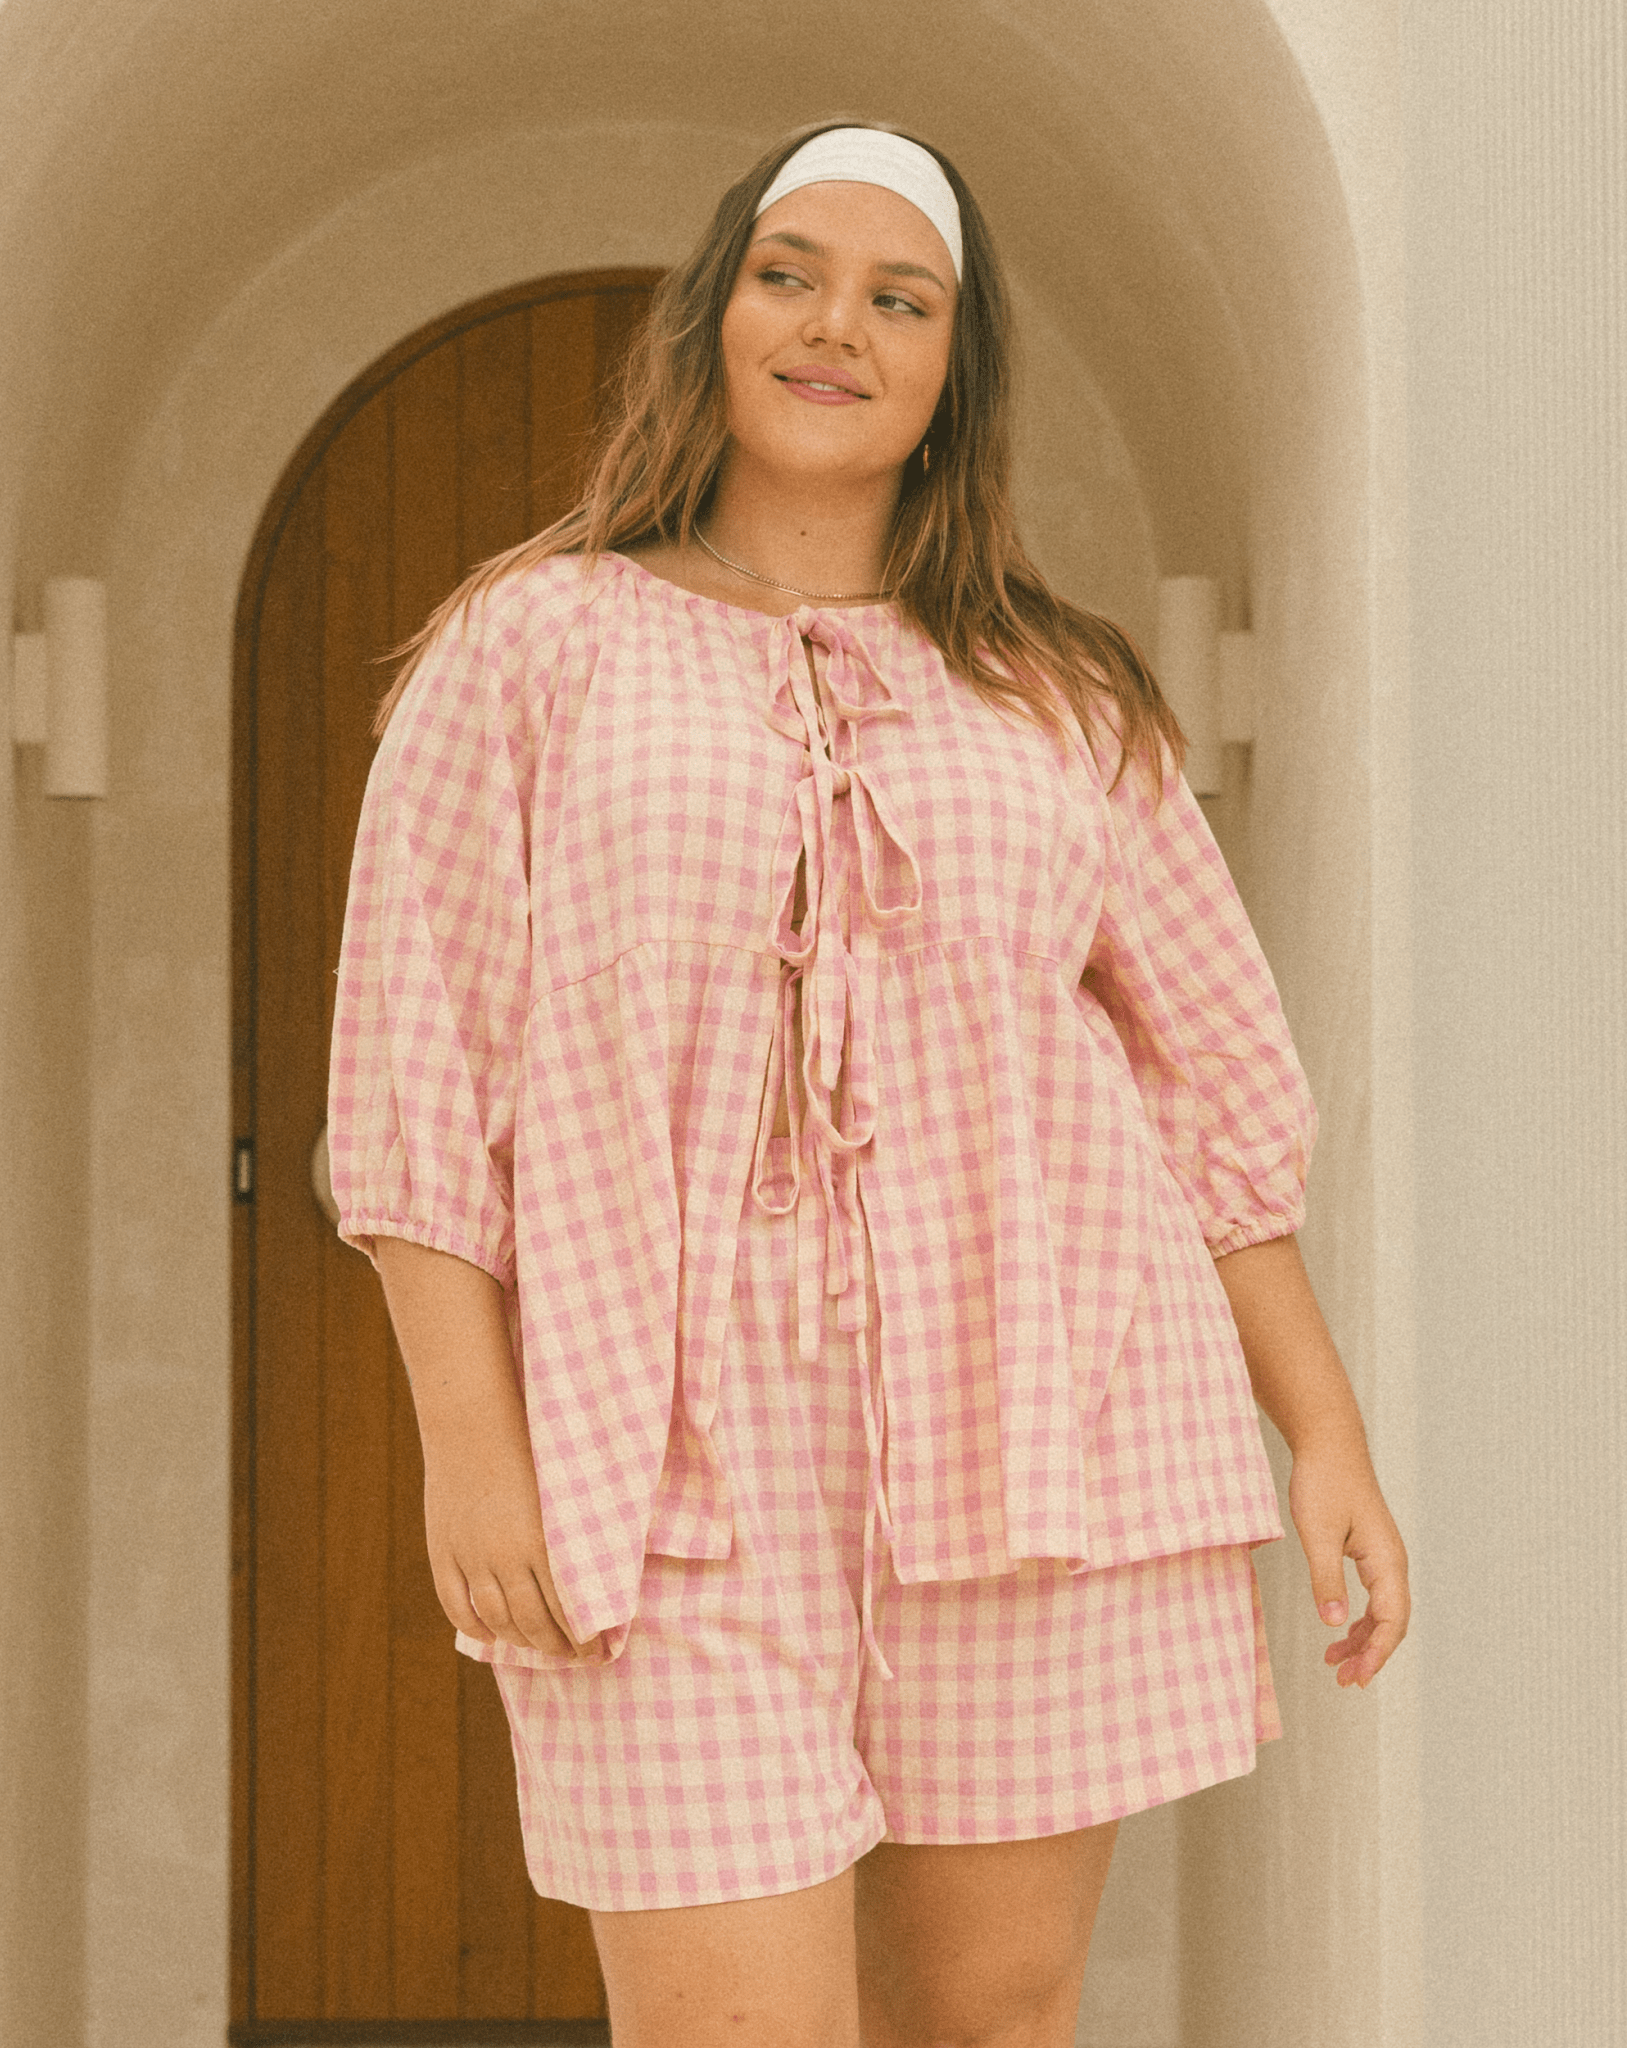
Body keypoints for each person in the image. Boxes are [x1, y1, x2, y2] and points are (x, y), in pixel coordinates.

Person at [328, 122, 1410, 2048]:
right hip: (661, 1464)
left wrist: (1319, 1432)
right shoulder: (534, 644)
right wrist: (467, 1442)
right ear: (713, 319)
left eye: (899, 299)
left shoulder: (1063, 697)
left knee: (989, 2018)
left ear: (953, 373)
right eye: (789, 275)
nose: (836, 325)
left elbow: (1210, 1091)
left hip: (1039, 1440)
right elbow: (419, 1060)